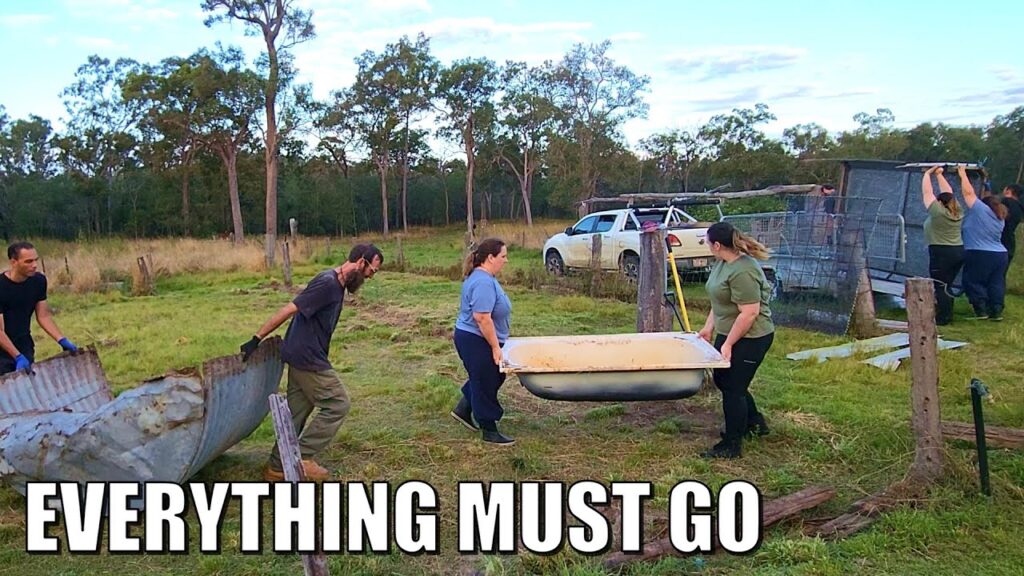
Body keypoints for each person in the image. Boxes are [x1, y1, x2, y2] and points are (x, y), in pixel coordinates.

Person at [241, 243, 383, 481]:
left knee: (297, 412)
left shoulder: (338, 285)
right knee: (338, 404)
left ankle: (276, 468)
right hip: (307, 357)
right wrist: (257, 338)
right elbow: (290, 309)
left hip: (300, 353)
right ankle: (301, 458)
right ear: (361, 262)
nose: (370, 277)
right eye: (372, 271)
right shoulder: (327, 284)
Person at [697, 222, 775, 459]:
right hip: (730, 332)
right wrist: (708, 328)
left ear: (718, 245)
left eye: (708, 242)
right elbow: (719, 300)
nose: (707, 246)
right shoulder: (722, 264)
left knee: (733, 388)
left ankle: (732, 444)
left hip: (752, 336)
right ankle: (755, 423)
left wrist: (729, 344)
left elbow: (749, 312)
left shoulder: (744, 271)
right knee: (726, 381)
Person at [450, 238, 514, 446]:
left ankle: (463, 409)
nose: (506, 260)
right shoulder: (483, 281)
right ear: (490, 257)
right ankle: (489, 428)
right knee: (485, 379)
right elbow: (482, 317)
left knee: (490, 376)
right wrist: (495, 347)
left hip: (476, 338)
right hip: (475, 340)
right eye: (503, 256)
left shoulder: (485, 277)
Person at [0, 242, 77, 375]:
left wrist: (61, 339)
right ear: (14, 262)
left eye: (35, 260)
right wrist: (17, 356)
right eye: (28, 262)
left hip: (24, 344)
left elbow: (43, 316)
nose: (34, 265)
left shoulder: (39, 281)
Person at [957, 164, 1008, 321]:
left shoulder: (980, 210)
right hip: (1000, 255)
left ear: (983, 204)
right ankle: (996, 311)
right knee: (996, 283)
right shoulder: (999, 216)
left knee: (972, 280)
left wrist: (962, 174)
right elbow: (988, 198)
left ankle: (981, 311)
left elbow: (968, 193)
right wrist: (985, 183)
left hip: (980, 253)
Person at [921, 167, 965, 325]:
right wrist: (939, 175)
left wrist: (927, 174)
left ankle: (943, 318)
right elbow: (949, 192)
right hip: (958, 251)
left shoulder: (938, 213)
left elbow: (927, 193)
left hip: (942, 252)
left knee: (939, 285)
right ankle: (948, 313)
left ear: (940, 203)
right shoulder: (957, 211)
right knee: (947, 285)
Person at [1001, 183, 1023, 263]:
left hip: (1000, 242)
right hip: (1009, 245)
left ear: (1009, 191)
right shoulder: (1020, 207)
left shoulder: (1006, 202)